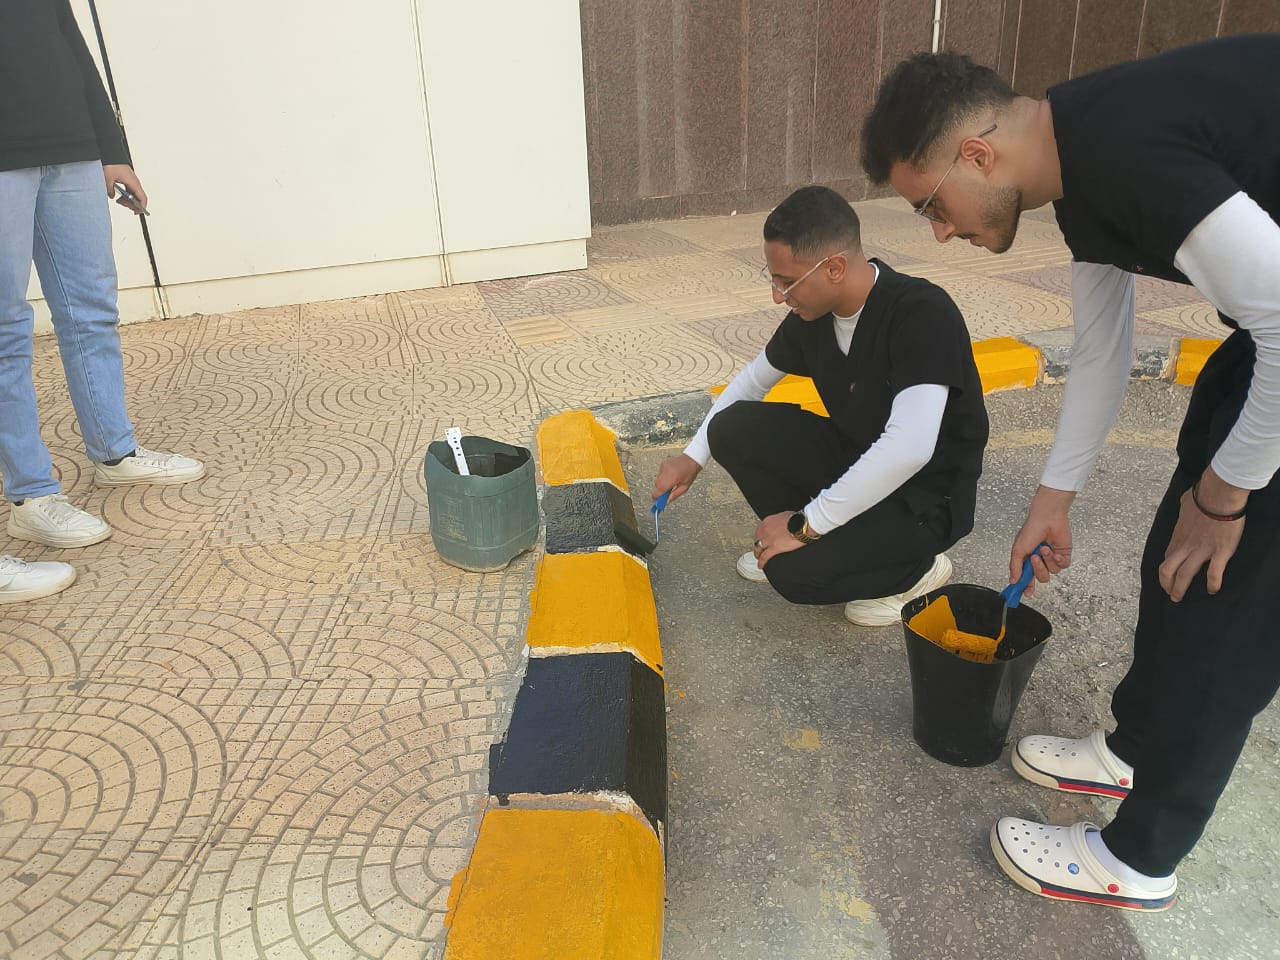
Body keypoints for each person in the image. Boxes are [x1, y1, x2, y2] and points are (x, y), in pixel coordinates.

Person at [861, 35, 1280, 911]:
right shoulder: (1080, 155)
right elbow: (1100, 352)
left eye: (932, 205)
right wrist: (1053, 501)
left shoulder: (1125, 147)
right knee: (1172, 555)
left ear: (977, 155)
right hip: (1261, 342)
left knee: (1224, 606)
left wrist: (1224, 500)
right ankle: (1136, 749)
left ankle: (1140, 859)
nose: (940, 232)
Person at [651, 185, 988, 626]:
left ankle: (916, 572)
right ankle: (812, 539)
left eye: (787, 282)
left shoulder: (922, 313)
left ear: (834, 268)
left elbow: (910, 448)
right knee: (730, 427)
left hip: (924, 500)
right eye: (773, 279)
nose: (778, 296)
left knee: (793, 575)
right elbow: (751, 382)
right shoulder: (813, 317)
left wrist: (804, 526)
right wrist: (692, 457)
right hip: (859, 460)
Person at [0, 0, 205, 584]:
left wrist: (112, 150)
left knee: (90, 308)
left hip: (70, 147)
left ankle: (116, 452)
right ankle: (32, 495)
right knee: (6, 332)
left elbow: (71, 44)